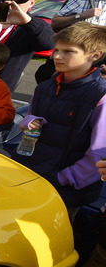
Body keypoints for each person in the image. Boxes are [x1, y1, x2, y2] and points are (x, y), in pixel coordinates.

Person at [9, 23, 106, 209]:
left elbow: (99, 154)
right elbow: (30, 118)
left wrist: (63, 178)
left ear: (95, 55)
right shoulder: (45, 87)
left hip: (64, 190)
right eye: (57, 50)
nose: (57, 56)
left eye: (68, 52)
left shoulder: (100, 97)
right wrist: (29, 123)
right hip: (30, 175)